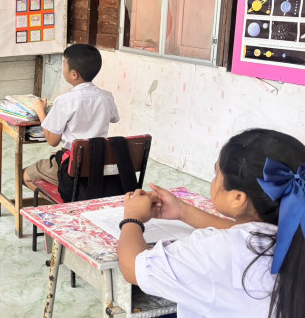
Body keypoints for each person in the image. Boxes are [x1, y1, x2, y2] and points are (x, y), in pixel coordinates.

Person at [118, 129, 305, 317]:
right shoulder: (296, 233)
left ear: (238, 198)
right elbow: (249, 235)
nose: (214, 181)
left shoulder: (210, 251)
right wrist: (182, 211)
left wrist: (132, 217)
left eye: (216, 174)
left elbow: (132, 268)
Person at [22, 43, 119, 190]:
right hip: (97, 165)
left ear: (74, 74)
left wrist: (41, 111)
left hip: (70, 168)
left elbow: (52, 141)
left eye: (64, 64)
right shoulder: (107, 97)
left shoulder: (64, 101)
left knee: (24, 175)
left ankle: (62, 200)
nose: (62, 68)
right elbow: (114, 118)